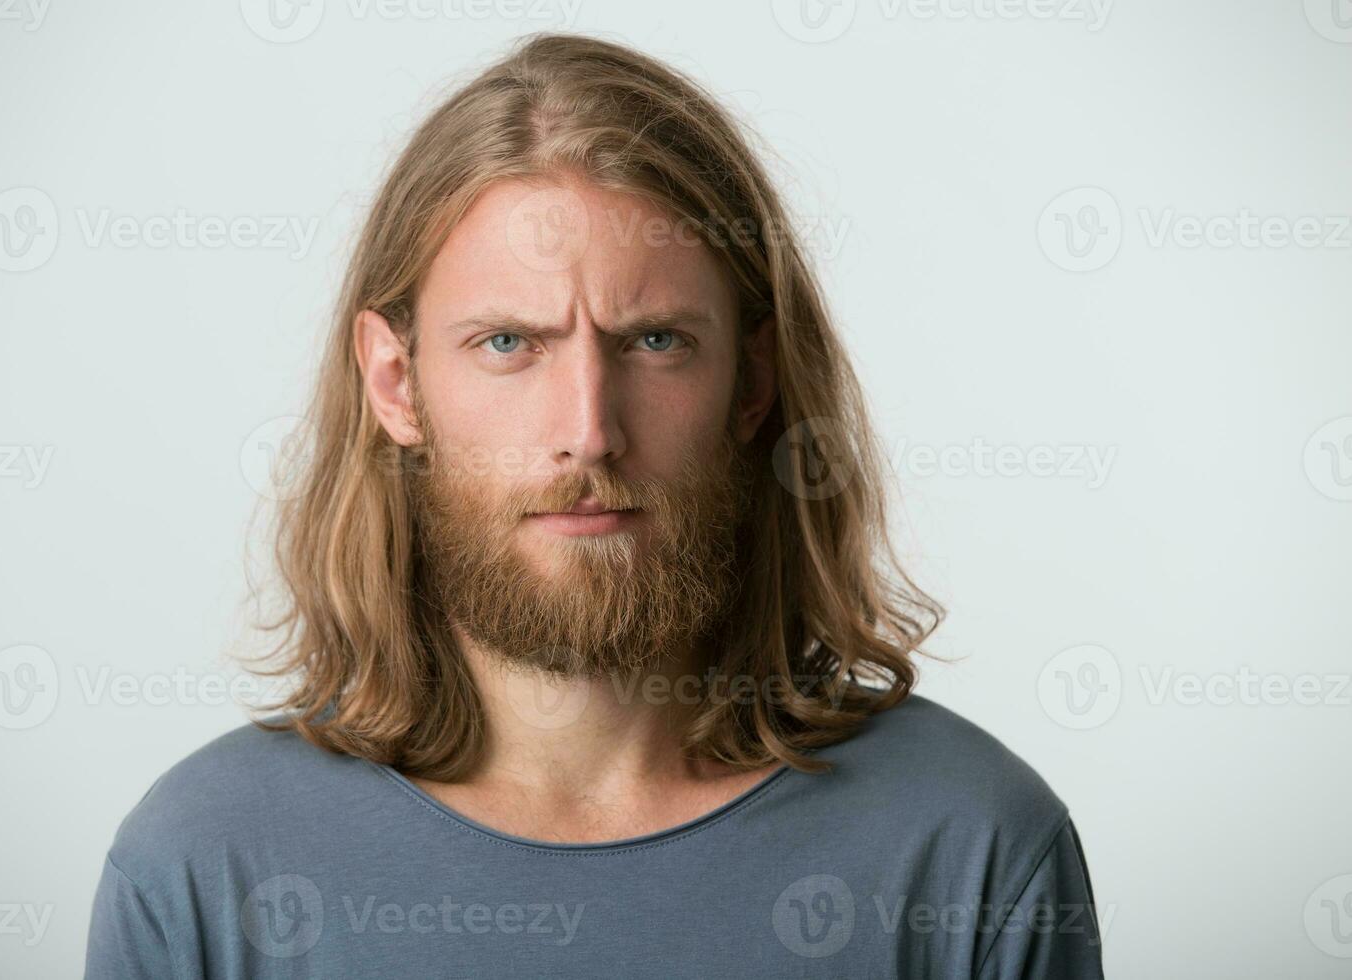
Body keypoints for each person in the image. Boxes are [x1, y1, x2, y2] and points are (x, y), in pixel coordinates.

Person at [85, 32, 1104, 978]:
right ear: (395, 383)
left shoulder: (970, 848)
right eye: (509, 342)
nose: (590, 428)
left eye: (654, 340)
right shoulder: (204, 866)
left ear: (750, 383)